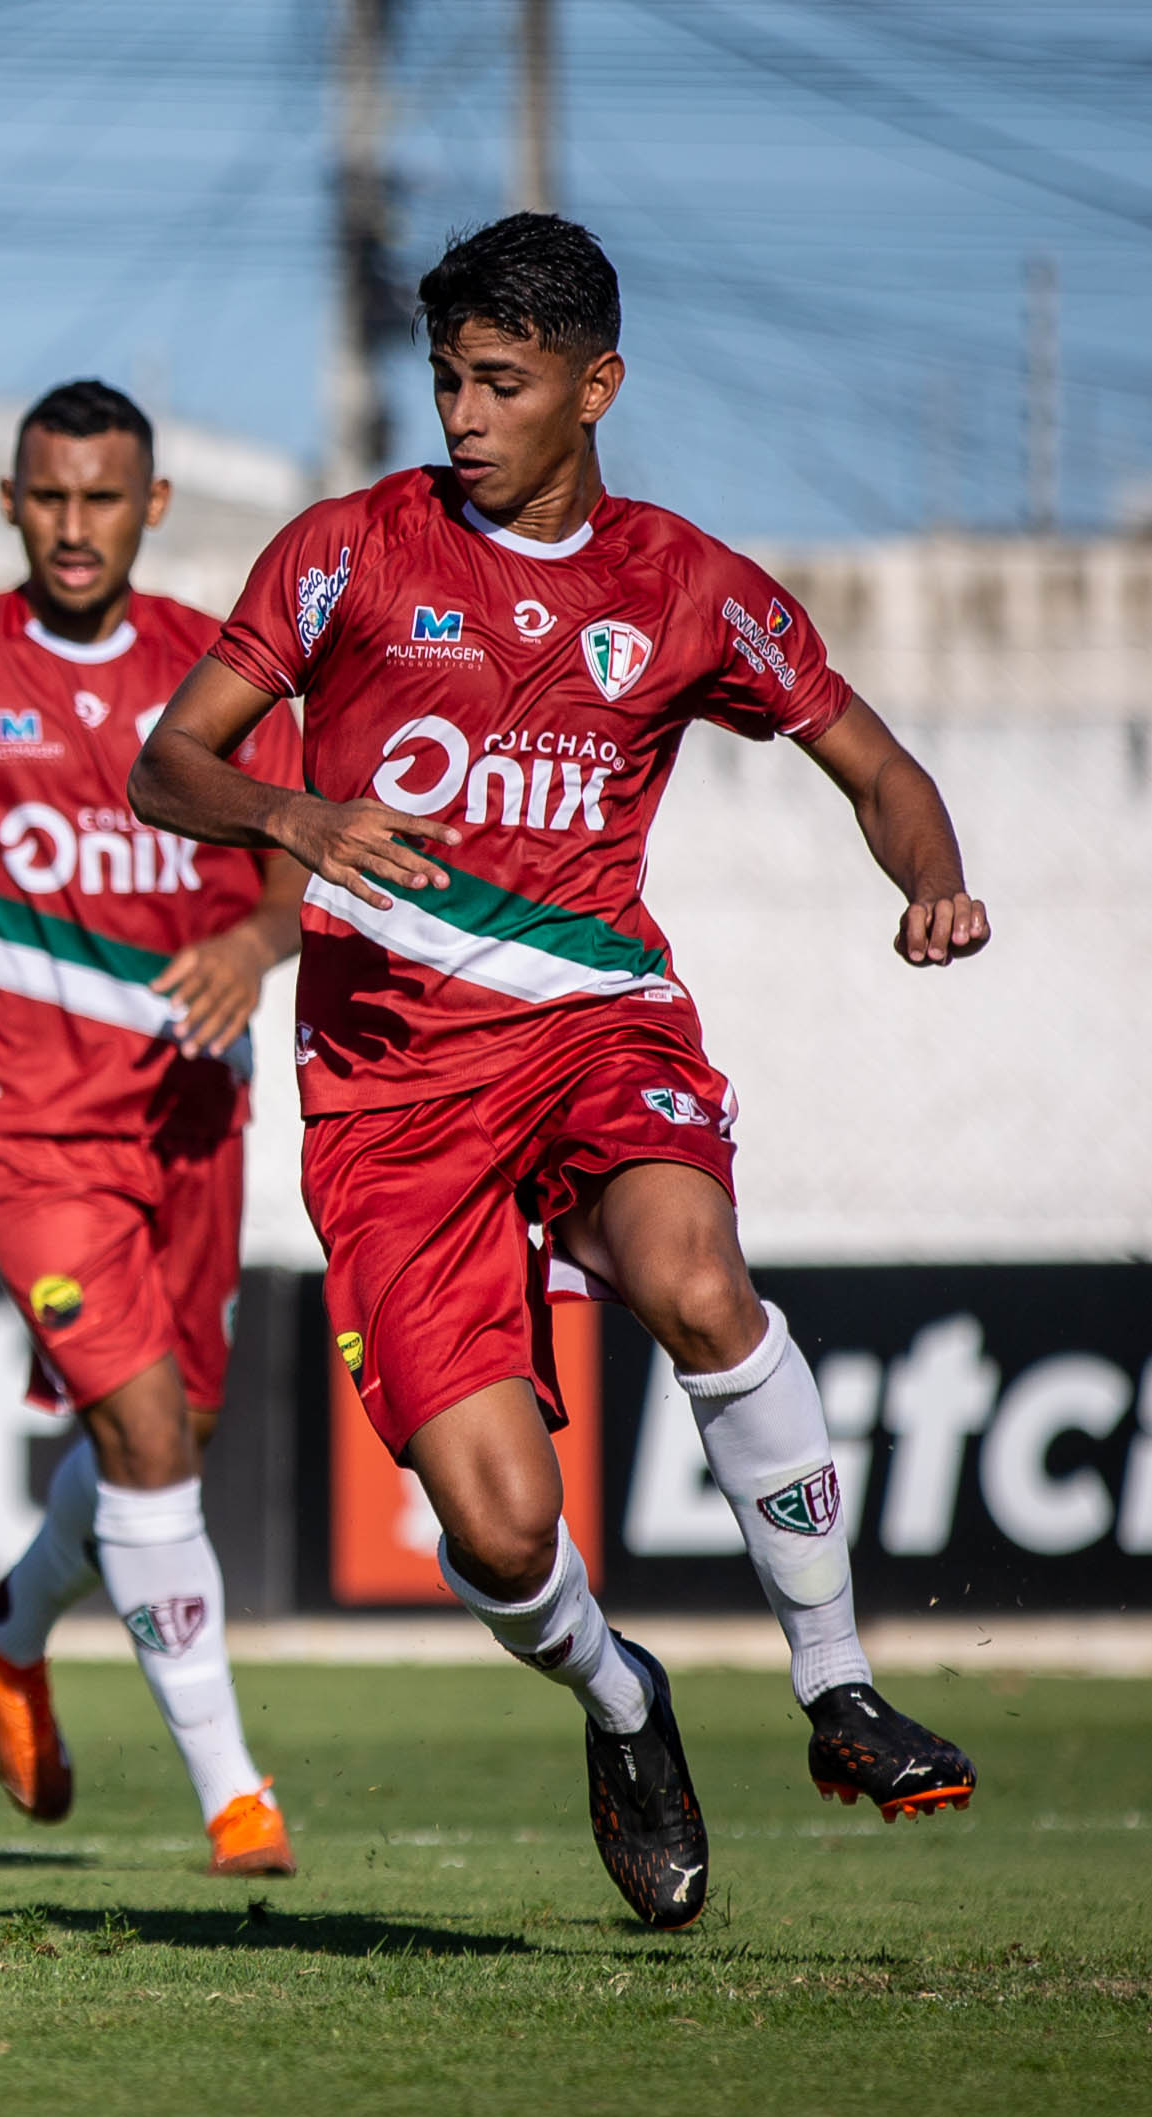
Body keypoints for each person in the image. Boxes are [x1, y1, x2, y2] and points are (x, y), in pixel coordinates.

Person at [129, 213, 982, 1929]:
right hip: (390, 1094)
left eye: (500, 383)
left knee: (694, 1276)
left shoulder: (686, 586)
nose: (462, 413)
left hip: (598, 1026)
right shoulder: (344, 553)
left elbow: (876, 766)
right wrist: (294, 816)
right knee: (505, 1531)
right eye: (447, 377)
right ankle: (617, 1693)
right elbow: (167, 764)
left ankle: (836, 1683)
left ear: (595, 386)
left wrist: (931, 879)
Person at [0, 381, 307, 1875]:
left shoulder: (227, 677)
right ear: (9, 501)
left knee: (174, 1437)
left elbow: (297, 867)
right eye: (49, 496)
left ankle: (8, 1629)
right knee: (142, 1434)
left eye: (103, 498)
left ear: (153, 507)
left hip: (194, 1109)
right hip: (26, 1126)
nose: (74, 526)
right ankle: (234, 1794)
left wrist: (252, 943)